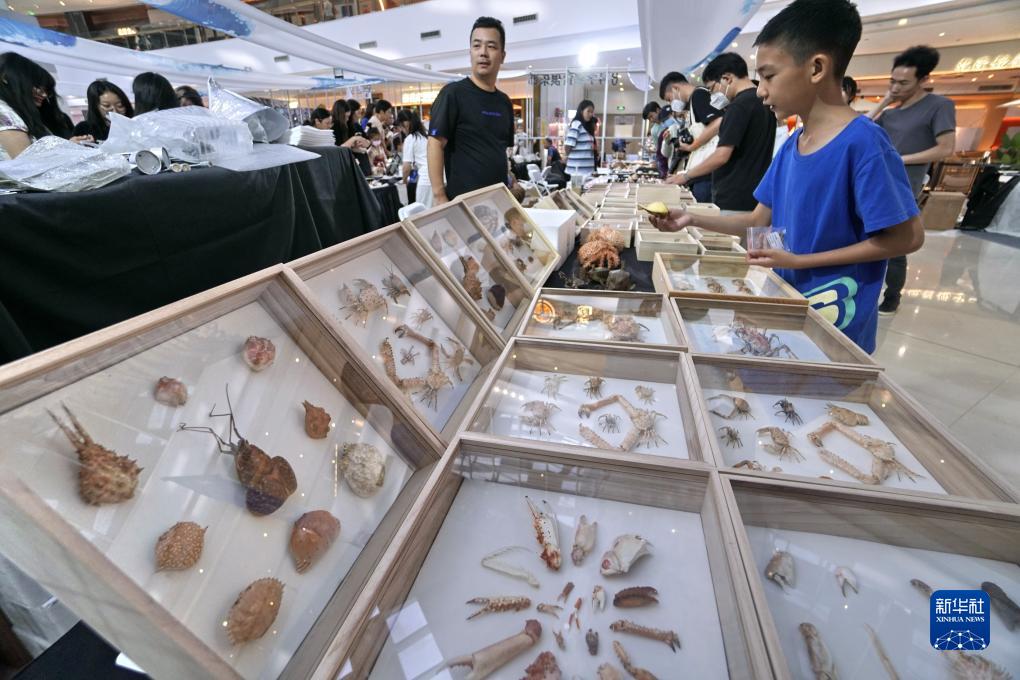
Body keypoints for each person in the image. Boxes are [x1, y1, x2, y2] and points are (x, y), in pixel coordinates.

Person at [650, 0, 923, 354]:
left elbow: (907, 237)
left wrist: (800, 262)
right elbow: (757, 221)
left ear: (816, 68)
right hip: (786, 309)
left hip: (835, 326)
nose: (760, 90)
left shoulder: (865, 144)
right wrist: (690, 218)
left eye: (769, 76)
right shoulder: (793, 145)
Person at [867, 45, 956, 315]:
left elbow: (945, 148)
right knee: (869, 239)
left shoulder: (938, 106)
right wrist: (884, 102)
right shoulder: (891, 112)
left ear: (923, 79)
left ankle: (892, 295)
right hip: (876, 183)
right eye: (892, 81)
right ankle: (867, 291)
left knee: (897, 242)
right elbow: (859, 130)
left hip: (906, 184)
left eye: (903, 83)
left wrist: (900, 159)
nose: (896, 87)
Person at [667, 54, 776, 211]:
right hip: (755, 195)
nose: (712, 96)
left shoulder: (738, 107)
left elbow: (721, 155)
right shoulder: (764, 102)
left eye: (712, 89)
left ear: (727, 79)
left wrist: (685, 175)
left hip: (734, 196)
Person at [428, 16, 514, 204]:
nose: (483, 53)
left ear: (502, 55)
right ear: (470, 52)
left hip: (497, 203)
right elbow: (435, 143)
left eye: (491, 46)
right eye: (477, 46)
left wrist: (510, 179)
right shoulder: (453, 94)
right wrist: (439, 196)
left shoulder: (504, 102)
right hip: (463, 206)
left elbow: (500, 150)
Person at [658, 71, 724, 202]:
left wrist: (693, 145)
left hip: (708, 174)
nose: (671, 104)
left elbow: (719, 122)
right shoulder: (694, 102)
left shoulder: (699, 95)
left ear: (675, 88)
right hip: (702, 172)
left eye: (669, 99)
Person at [0, 52, 77, 160]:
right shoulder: (4, 113)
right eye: (37, 86)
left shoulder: (23, 114)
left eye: (46, 90)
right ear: (5, 77)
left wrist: (69, 146)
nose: (44, 95)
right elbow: (28, 163)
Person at [398, 108, 431, 206]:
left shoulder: (410, 139)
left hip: (425, 180)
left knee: (423, 211)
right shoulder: (425, 136)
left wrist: (404, 182)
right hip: (437, 176)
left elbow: (406, 167)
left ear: (404, 124)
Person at [564, 100, 597, 179]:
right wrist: (570, 157)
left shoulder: (587, 127)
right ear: (581, 111)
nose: (590, 114)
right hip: (577, 171)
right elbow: (568, 146)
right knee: (577, 187)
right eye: (588, 111)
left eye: (592, 112)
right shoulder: (576, 124)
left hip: (587, 171)